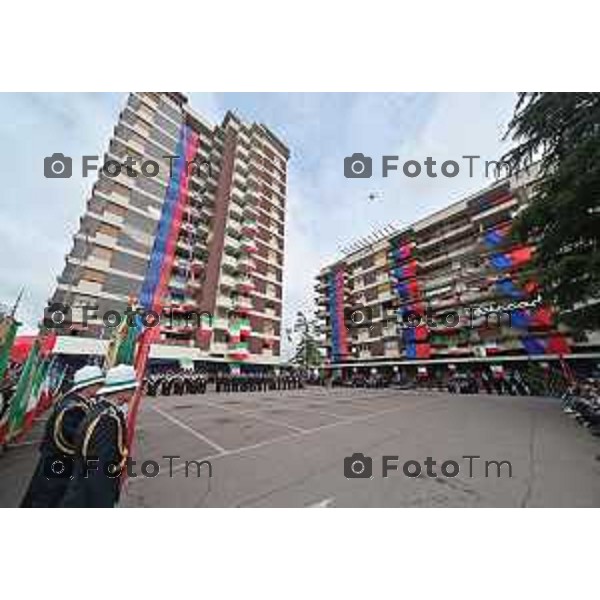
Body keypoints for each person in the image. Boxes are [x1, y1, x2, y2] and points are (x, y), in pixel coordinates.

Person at [20, 365, 105, 508]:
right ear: (88, 385)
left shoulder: (71, 400)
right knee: (49, 498)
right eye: (98, 384)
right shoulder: (75, 409)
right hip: (59, 460)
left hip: (53, 458)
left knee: (43, 496)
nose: (100, 387)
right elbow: (77, 438)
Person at [60, 364, 138, 508]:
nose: (135, 392)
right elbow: (100, 466)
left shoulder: (102, 410)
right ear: (121, 391)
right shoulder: (107, 420)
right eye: (132, 388)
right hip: (92, 492)